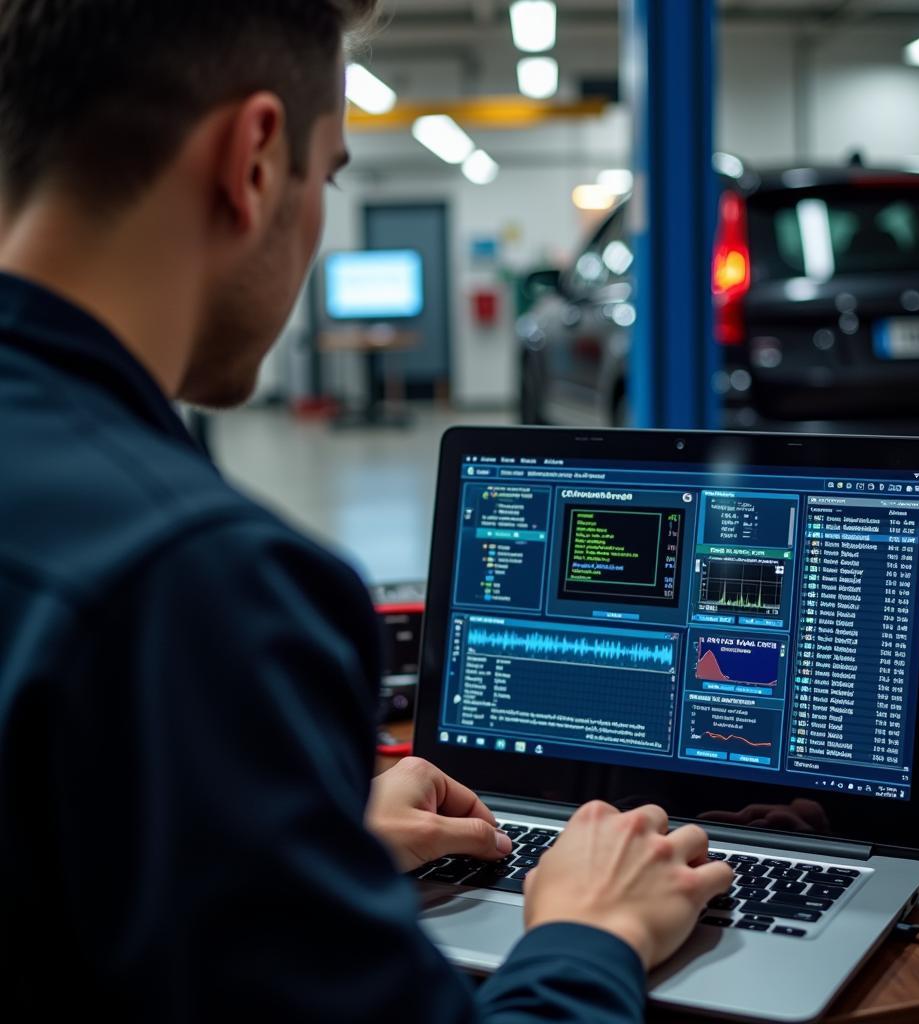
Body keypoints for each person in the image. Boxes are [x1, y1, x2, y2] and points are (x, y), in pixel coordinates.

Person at [0, 2, 733, 1020]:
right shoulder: (197, 585)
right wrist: (588, 931)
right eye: (330, 174)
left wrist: (302, 844)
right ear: (253, 159)